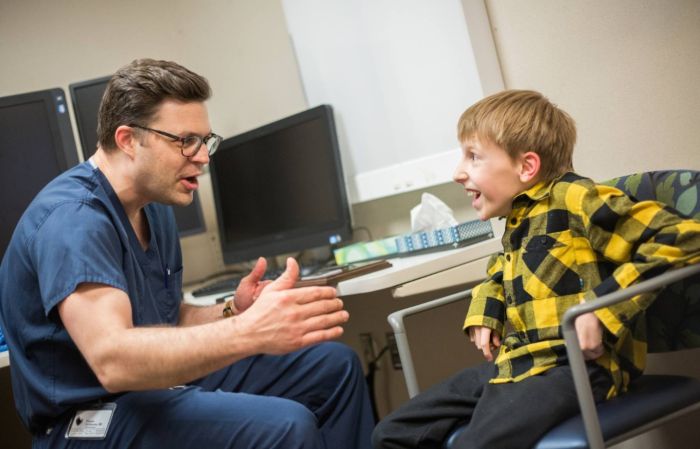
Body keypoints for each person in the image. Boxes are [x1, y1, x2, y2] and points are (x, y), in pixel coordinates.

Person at [0, 58, 374, 449]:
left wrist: (235, 310)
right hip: (88, 419)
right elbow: (114, 359)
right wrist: (250, 332)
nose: (203, 157)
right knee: (287, 425)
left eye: (206, 141)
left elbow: (167, 318)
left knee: (334, 367)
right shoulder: (73, 222)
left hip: (150, 387)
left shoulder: (154, 208)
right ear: (128, 140)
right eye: (185, 141)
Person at [372, 89, 700, 449]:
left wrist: (602, 308)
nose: (457, 173)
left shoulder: (576, 198)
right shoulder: (519, 217)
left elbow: (684, 237)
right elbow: (504, 269)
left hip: (577, 367)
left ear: (526, 167)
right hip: (519, 363)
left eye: (473, 157)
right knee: (390, 434)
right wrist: (487, 307)